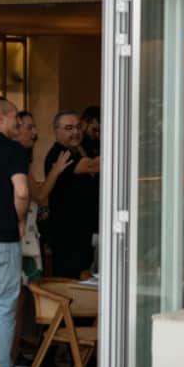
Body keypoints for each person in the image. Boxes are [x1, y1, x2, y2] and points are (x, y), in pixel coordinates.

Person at [0, 99, 29, 367]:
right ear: (2, 117)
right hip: (2, 239)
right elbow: (22, 191)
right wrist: (19, 219)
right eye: (15, 116)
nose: (18, 122)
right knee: (3, 308)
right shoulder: (13, 150)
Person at [43, 111, 101, 279]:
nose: (75, 132)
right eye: (69, 128)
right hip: (68, 236)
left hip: (83, 234)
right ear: (56, 131)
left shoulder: (76, 151)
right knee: (70, 282)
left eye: (77, 127)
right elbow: (91, 166)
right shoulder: (60, 154)